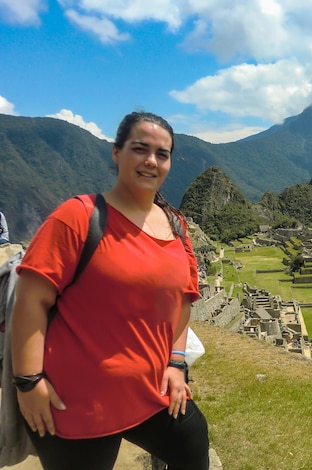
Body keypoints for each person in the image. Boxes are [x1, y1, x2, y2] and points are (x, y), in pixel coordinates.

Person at [10, 112, 209, 470]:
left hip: (151, 394)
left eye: (162, 154)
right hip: (75, 404)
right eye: (140, 149)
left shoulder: (176, 225)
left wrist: (176, 364)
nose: (151, 161)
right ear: (116, 153)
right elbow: (31, 299)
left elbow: (182, 300)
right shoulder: (77, 217)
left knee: (192, 443)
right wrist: (28, 382)